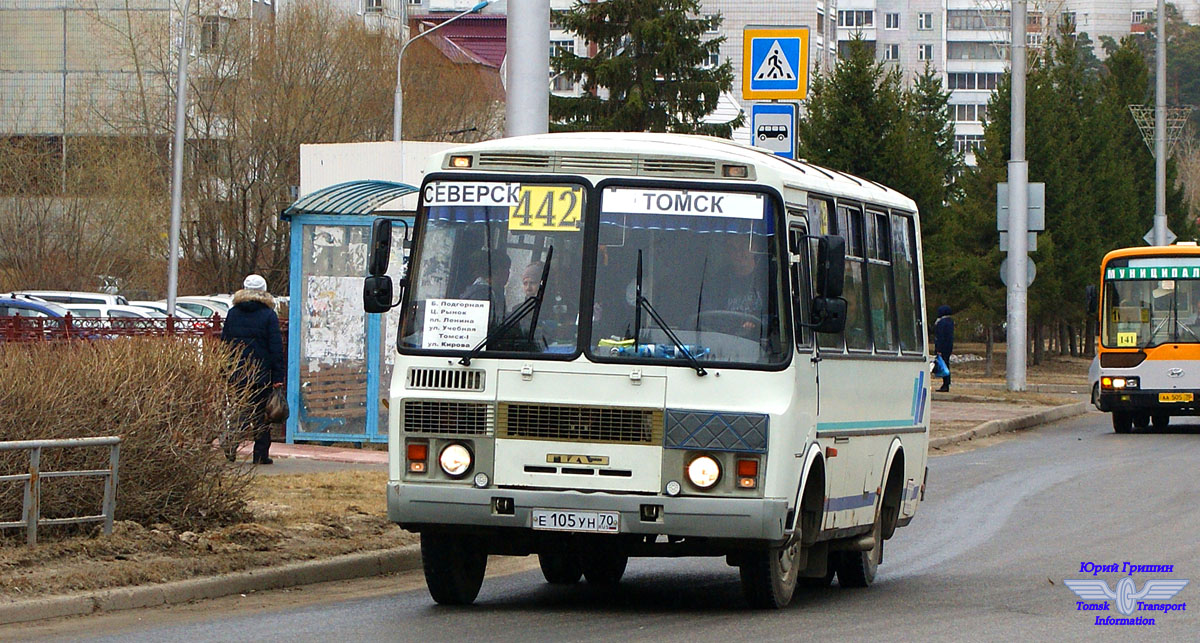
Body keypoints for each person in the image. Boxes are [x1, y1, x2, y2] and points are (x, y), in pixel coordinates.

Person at [221, 274, 285, 465]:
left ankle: (231, 441)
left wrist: (226, 370)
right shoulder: (268, 315)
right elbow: (275, 347)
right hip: (262, 374)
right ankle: (260, 455)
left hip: (238, 373)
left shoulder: (233, 313)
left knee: (240, 410)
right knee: (262, 415)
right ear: (264, 290)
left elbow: (225, 343)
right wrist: (278, 376)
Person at [459, 250, 510, 326]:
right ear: (497, 271)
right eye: (507, 269)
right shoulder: (482, 295)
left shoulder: (494, 292)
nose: (508, 273)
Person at [934, 304, 954, 392]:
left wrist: (938, 349)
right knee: (946, 363)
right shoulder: (950, 322)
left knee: (943, 364)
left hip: (942, 347)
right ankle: (946, 383)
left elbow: (940, 336)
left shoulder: (942, 323)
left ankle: (945, 384)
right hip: (949, 346)